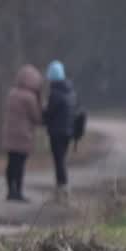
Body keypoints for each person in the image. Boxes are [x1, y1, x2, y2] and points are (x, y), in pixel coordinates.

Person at [2, 64, 44, 202]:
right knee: (20, 165)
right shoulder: (30, 97)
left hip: (9, 133)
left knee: (11, 163)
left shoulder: (11, 93)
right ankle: (18, 192)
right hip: (23, 135)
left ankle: (10, 190)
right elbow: (37, 118)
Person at [43, 60, 78, 202]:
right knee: (61, 158)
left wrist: (43, 113)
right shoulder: (70, 91)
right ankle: (62, 187)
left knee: (59, 160)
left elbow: (49, 113)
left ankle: (62, 188)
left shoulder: (55, 93)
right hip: (68, 131)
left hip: (57, 131)